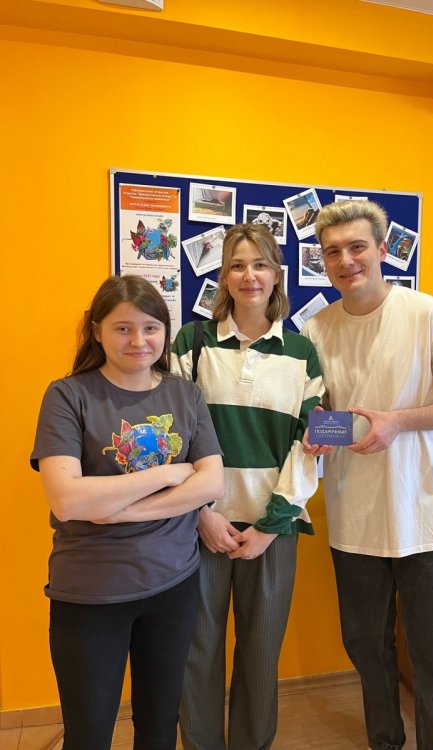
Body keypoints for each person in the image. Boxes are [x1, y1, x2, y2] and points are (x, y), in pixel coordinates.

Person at [301, 200, 433, 750]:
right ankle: (384, 741)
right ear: (323, 261)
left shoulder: (430, 315)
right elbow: (325, 413)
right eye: (333, 251)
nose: (346, 260)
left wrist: (398, 422)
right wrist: (315, 431)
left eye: (357, 247)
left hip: (426, 519)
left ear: (383, 250)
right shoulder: (316, 329)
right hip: (354, 519)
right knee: (367, 649)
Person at [30, 275, 224, 750]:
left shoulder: (186, 395)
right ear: (96, 330)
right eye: (123, 328)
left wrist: (116, 510)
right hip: (91, 592)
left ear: (165, 332)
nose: (139, 341)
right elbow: (68, 500)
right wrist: (169, 473)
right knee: (89, 733)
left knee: (158, 727)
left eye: (151, 328)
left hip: (173, 584)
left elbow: (211, 483)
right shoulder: (67, 395)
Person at [172, 223, 324, 750]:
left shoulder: (303, 353)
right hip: (200, 527)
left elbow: (310, 444)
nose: (248, 275)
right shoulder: (191, 343)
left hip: (271, 530)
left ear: (277, 274)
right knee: (197, 649)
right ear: (223, 276)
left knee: (261, 653)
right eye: (237, 265)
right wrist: (199, 514)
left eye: (260, 264)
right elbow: (172, 436)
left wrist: (270, 525)